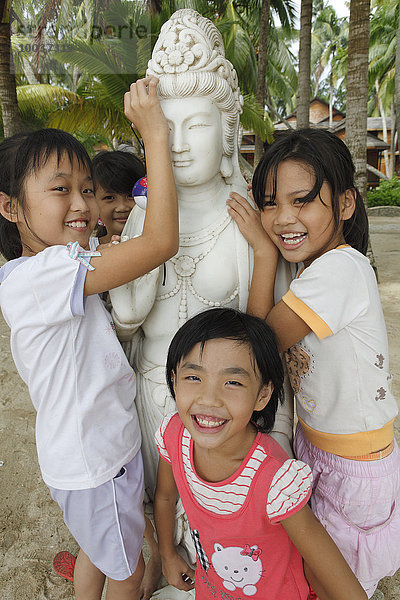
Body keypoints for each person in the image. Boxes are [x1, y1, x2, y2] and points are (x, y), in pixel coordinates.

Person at [110, 11, 295, 582]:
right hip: (154, 395)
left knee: (229, 530)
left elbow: (266, 337)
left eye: (198, 125)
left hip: (229, 402)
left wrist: (276, 427)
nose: (182, 144)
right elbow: (127, 318)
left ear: (228, 127)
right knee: (157, 503)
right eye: (168, 128)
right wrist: (141, 231)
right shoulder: (143, 218)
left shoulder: (245, 220)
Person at [0, 76, 178, 600]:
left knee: (98, 552)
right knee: (125, 568)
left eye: (86, 189)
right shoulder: (46, 274)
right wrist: (156, 138)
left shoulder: (42, 272)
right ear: (10, 207)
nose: (82, 204)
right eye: (61, 190)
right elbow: (162, 241)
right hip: (95, 463)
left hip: (93, 456)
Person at [226, 128, 400, 598]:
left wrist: (263, 253)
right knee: (317, 572)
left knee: (336, 583)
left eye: (301, 201)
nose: (283, 218)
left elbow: (256, 345)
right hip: (324, 446)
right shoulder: (315, 268)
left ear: (345, 205)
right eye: (269, 203)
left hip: (354, 462)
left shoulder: (338, 270)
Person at [154, 307, 367, 600]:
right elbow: (165, 496)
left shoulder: (274, 482)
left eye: (233, 382)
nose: (209, 399)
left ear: (263, 395)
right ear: (174, 380)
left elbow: (343, 586)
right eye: (194, 377)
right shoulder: (174, 435)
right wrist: (167, 553)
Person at [92, 149, 162, 599]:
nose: (122, 205)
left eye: (133, 191)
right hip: (119, 393)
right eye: (108, 196)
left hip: (144, 378)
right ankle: (147, 566)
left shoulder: (142, 240)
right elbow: (126, 318)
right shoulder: (95, 257)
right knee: (136, 496)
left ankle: (152, 566)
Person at [92, 150, 145, 245]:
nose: (122, 207)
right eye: (109, 198)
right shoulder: (85, 251)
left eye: (130, 195)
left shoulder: (165, 246)